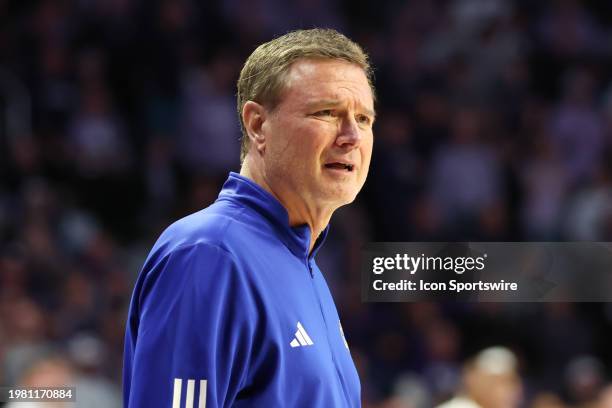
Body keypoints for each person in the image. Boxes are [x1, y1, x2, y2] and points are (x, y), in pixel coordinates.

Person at [123, 28, 375, 407]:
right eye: (326, 112)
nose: (352, 136)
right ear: (258, 125)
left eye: (364, 118)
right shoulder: (209, 254)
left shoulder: (302, 261)